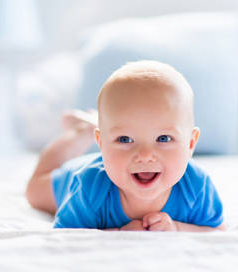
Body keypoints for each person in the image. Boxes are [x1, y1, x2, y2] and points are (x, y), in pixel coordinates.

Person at [26, 60, 225, 231]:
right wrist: (119, 232)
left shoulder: (196, 186)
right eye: (125, 139)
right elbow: (66, 237)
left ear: (190, 143)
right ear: (101, 143)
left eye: (163, 138)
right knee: (34, 192)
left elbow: (215, 230)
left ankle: (98, 126)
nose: (146, 155)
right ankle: (81, 132)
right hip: (70, 179)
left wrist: (177, 227)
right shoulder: (89, 187)